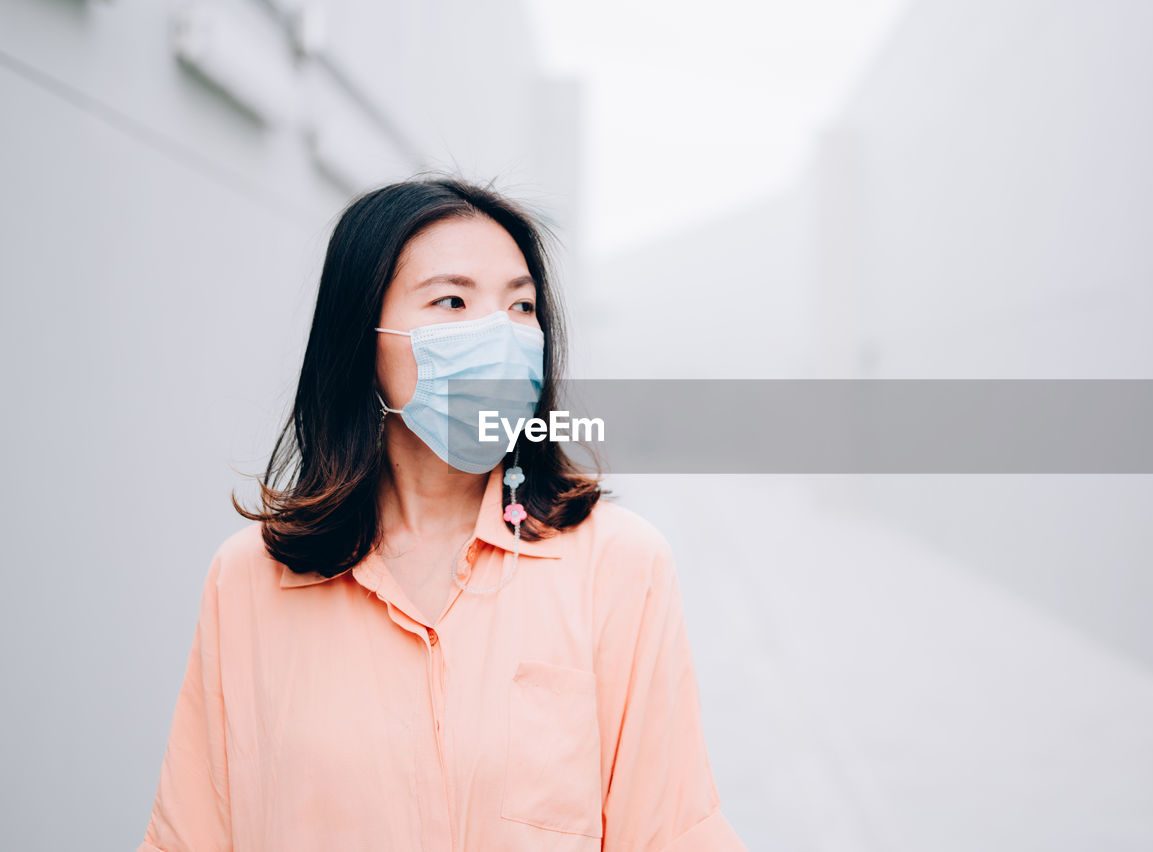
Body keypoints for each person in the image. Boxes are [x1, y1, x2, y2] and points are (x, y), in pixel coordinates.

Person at [135, 174, 748, 851]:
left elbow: (670, 830)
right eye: (452, 301)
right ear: (364, 338)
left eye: (521, 307)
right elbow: (193, 834)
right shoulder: (249, 579)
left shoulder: (620, 566)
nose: (500, 335)